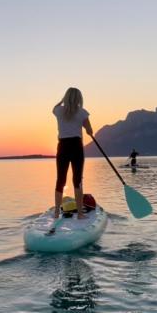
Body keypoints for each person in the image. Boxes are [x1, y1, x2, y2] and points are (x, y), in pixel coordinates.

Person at [52, 88, 93, 220]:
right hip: (76, 147)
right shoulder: (82, 113)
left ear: (66, 97)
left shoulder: (58, 110)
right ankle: (80, 214)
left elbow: (55, 107)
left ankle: (56, 213)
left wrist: (62, 101)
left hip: (63, 146)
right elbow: (89, 131)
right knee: (77, 180)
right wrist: (88, 130)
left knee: (60, 179)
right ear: (79, 98)